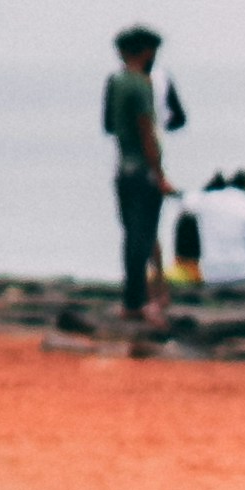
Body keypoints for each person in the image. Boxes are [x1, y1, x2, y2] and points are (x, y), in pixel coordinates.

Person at [102, 27, 182, 321]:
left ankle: (131, 299)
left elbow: (109, 125)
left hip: (122, 166)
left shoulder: (115, 82)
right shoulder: (140, 84)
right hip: (143, 170)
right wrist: (159, 173)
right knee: (144, 234)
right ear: (146, 51)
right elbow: (147, 130)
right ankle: (139, 301)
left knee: (130, 234)